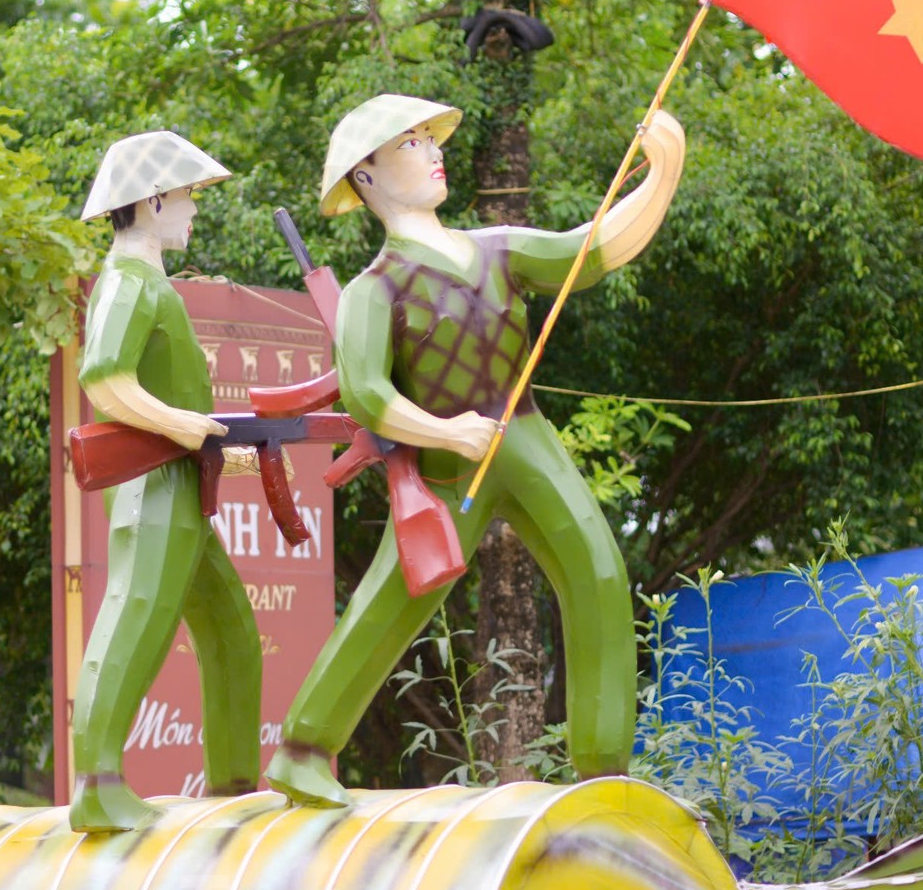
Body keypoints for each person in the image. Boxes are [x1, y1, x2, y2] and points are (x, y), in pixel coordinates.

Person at [264, 94, 686, 807]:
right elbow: (367, 394)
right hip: (446, 460)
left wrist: (661, 178)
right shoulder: (375, 289)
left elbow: (589, 251)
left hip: (523, 433)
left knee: (597, 570)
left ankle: (603, 771)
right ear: (364, 177)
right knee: (396, 597)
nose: (433, 152)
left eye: (433, 138)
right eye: (411, 144)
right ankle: (304, 749)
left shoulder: (499, 248)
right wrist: (443, 431)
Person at [69, 131, 264, 831]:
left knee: (234, 634)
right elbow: (105, 381)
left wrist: (210, 447)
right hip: (157, 492)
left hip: (179, 488)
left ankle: (236, 782)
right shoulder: (127, 283)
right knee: (133, 629)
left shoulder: (148, 283)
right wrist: (183, 428)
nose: (192, 211)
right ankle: (95, 785)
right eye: (185, 196)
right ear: (151, 200)